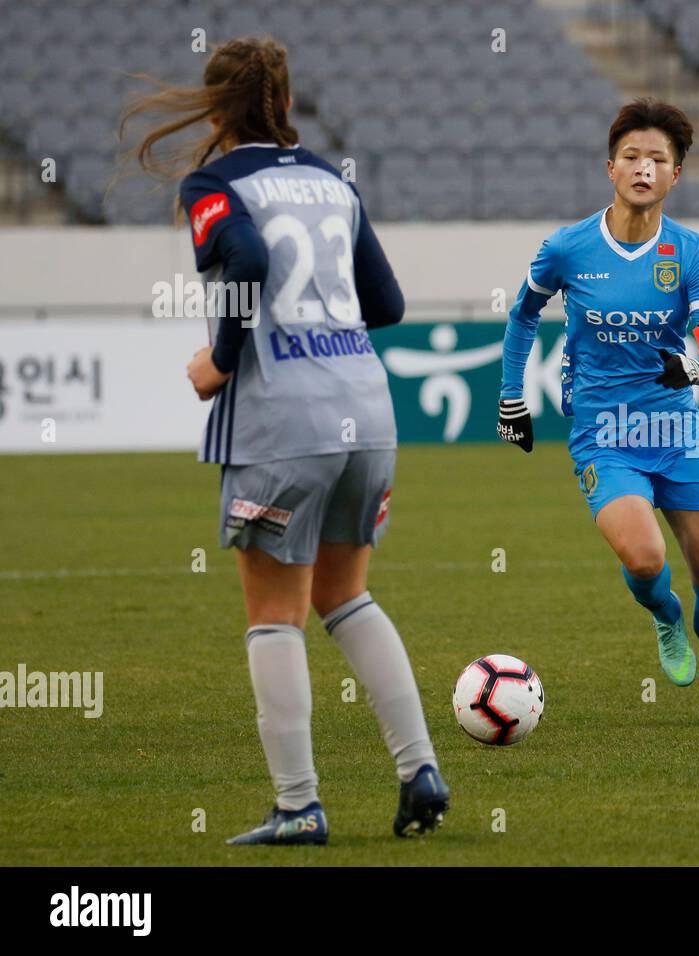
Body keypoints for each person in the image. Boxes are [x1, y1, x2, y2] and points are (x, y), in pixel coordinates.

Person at [122, 36, 449, 844]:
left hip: (284, 421)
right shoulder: (332, 184)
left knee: (275, 614)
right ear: (287, 103)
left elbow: (247, 256)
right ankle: (420, 771)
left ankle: (298, 805)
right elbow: (389, 303)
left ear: (217, 108)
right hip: (367, 411)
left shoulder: (215, 184)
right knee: (346, 595)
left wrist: (220, 360)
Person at [496, 98, 699, 725]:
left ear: (675, 176)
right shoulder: (567, 248)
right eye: (633, 156)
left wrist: (697, 367)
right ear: (610, 168)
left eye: (658, 159)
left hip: (676, 428)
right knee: (644, 558)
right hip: (603, 432)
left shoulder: (688, 251)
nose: (644, 168)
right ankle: (665, 615)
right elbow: (523, 316)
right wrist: (511, 396)